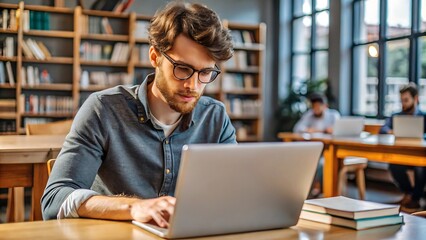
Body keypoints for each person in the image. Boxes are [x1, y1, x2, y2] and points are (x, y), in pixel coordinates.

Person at [42, 2, 236, 228]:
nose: (193, 85)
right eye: (182, 68)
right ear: (155, 57)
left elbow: (232, 193)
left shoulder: (215, 117)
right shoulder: (103, 109)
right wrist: (136, 207)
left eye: (205, 72)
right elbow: (55, 200)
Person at [380, 83, 426, 212]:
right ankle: (409, 194)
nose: (403, 104)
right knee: (394, 164)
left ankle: (415, 199)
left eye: (406, 100)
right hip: (403, 155)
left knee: (421, 166)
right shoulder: (397, 116)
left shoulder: (424, 116)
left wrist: (422, 135)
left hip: (421, 156)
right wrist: (390, 131)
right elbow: (383, 128)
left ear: (415, 99)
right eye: (401, 101)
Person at [293, 93, 340, 198]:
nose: (316, 109)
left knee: (321, 164)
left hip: (329, 150)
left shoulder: (333, 115)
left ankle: (320, 192)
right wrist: (313, 130)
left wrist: (323, 130)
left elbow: (337, 130)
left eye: (319, 106)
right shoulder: (309, 115)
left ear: (325, 106)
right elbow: (297, 128)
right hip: (313, 149)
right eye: (314, 107)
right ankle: (303, 192)